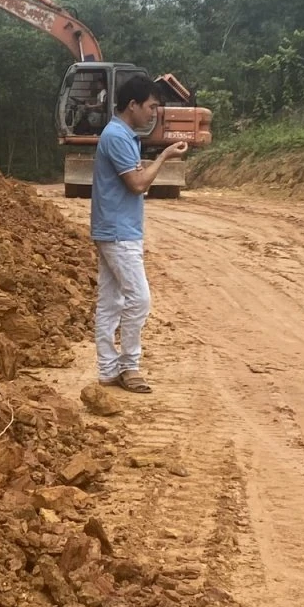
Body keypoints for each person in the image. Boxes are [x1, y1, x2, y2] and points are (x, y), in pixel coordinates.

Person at [91, 76, 188, 393]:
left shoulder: (121, 134)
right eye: (151, 106)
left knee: (111, 302)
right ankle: (129, 366)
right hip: (119, 233)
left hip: (114, 229)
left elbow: (132, 177)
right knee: (139, 299)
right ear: (132, 104)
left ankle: (107, 370)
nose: (154, 113)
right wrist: (163, 157)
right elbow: (137, 184)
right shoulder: (118, 136)